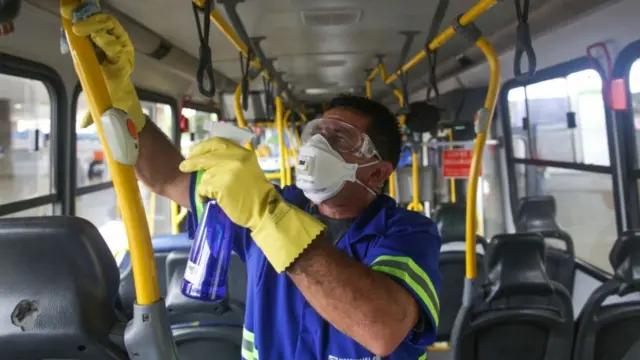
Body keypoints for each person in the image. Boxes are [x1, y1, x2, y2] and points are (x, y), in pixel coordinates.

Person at [64, 9, 442, 360]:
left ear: (378, 173)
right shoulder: (272, 203)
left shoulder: (409, 233)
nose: (317, 147)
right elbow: (165, 177)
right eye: (316, 134)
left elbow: (382, 328)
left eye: (339, 139)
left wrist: (269, 218)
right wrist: (117, 96)